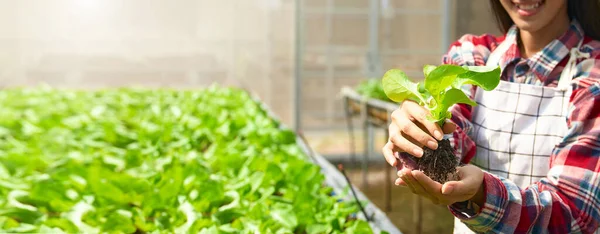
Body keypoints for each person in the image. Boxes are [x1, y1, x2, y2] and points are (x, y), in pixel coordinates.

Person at [382, 0, 600, 233]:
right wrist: (418, 137)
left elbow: (574, 215)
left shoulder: (592, 74)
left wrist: (482, 194)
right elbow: (453, 134)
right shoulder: (473, 56)